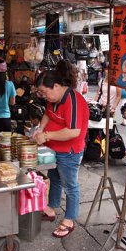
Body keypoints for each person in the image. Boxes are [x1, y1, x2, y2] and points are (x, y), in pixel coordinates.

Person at [33, 70, 89, 238]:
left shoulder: (73, 101)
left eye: (44, 92)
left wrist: (47, 136)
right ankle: (51, 208)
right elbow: (47, 115)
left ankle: (69, 219)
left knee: (70, 185)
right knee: (54, 178)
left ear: (56, 86)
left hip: (69, 151)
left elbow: (73, 132)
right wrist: (40, 129)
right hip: (54, 149)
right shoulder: (54, 99)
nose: (43, 96)